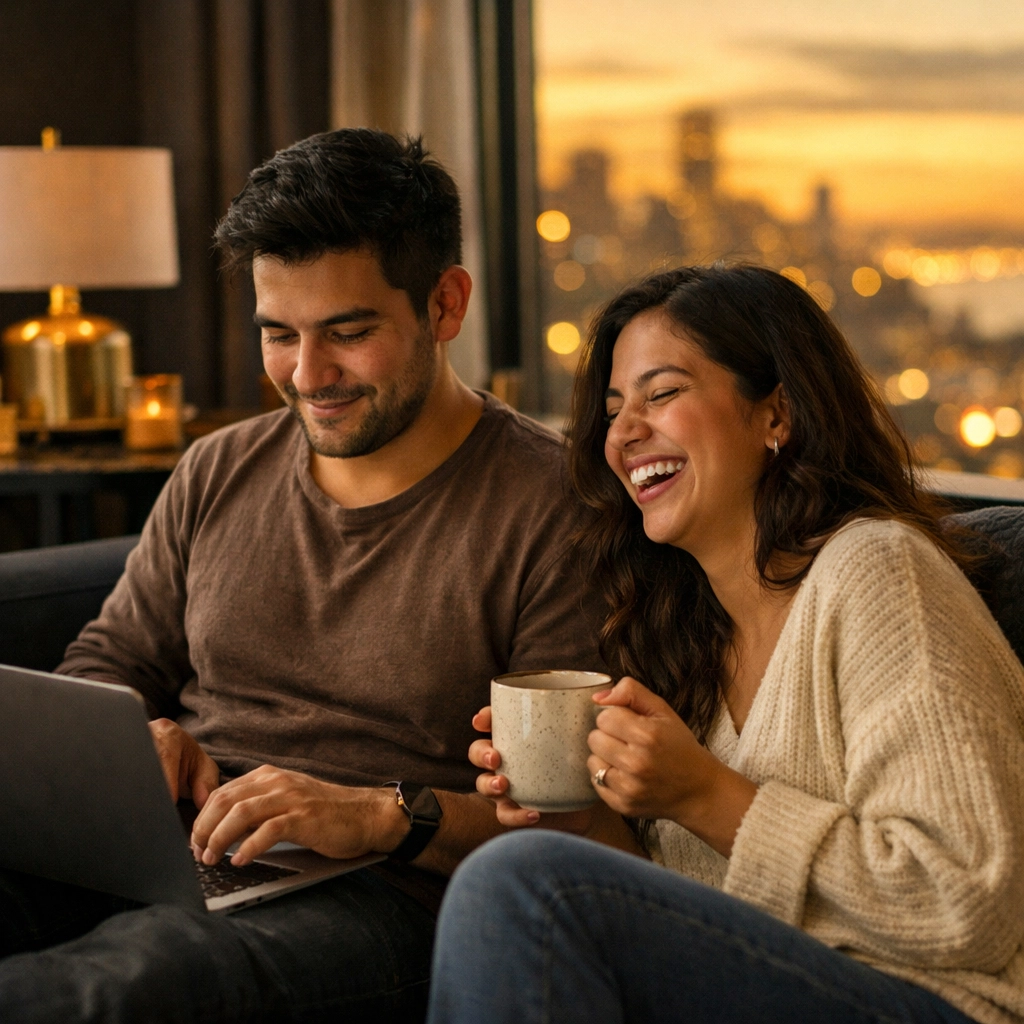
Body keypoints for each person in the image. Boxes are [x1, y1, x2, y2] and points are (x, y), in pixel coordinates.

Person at [0, 129, 612, 1023]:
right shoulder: (218, 468)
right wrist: (146, 731)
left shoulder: (555, 510)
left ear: (445, 305)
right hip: (173, 852)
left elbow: (566, 822)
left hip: (378, 898)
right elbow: (107, 659)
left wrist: (380, 815)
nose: (307, 375)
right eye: (278, 335)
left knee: (125, 988)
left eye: (348, 333)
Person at [427, 265, 1024, 1024]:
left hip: (941, 1005)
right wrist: (581, 822)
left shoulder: (877, 573)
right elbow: (708, 917)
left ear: (776, 414)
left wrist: (704, 793)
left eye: (662, 393)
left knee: (518, 885)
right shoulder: (688, 635)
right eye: (613, 409)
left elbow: (968, 901)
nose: (624, 432)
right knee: (527, 876)